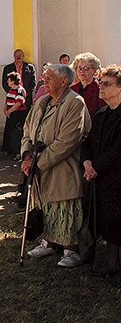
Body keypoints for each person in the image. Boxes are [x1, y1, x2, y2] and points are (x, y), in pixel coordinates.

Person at [21, 64, 90, 268]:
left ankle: (71, 249)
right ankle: (49, 241)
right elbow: (27, 130)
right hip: (39, 164)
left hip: (64, 166)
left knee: (66, 206)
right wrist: (26, 155)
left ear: (65, 81)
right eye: (44, 78)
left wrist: (38, 162)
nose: (45, 81)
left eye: (49, 78)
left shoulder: (75, 102)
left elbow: (68, 140)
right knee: (47, 206)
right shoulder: (43, 101)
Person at [81, 64, 121, 276]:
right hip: (100, 181)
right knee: (106, 222)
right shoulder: (101, 115)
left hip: (116, 179)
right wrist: (87, 162)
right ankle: (110, 264)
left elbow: (118, 151)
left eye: (106, 84)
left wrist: (96, 166)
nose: (101, 88)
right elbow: (88, 142)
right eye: (100, 83)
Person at [70, 52, 106, 119]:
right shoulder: (71, 89)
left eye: (86, 68)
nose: (82, 71)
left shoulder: (100, 89)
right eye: (79, 68)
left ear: (94, 70)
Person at [2, 72, 28, 160]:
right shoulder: (10, 90)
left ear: (13, 81)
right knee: (9, 131)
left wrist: (9, 110)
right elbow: (7, 100)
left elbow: (18, 103)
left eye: (9, 80)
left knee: (17, 133)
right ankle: (10, 149)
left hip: (18, 114)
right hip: (11, 113)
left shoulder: (20, 90)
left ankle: (18, 152)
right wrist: (5, 109)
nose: (7, 82)